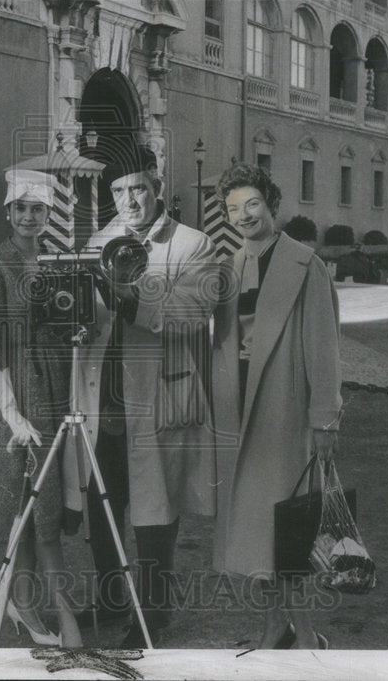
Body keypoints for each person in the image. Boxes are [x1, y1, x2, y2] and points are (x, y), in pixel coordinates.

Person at [67, 146, 220, 648]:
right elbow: (87, 318)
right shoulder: (100, 240)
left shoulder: (193, 244)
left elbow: (193, 315)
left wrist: (132, 296)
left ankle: (152, 613)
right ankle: (111, 601)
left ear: (157, 185)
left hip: (159, 394)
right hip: (103, 396)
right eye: (118, 191)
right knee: (102, 500)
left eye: (137, 188)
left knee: (156, 509)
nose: (129, 200)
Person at [211, 163, 342, 650]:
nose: (244, 216)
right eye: (233, 209)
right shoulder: (228, 267)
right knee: (251, 535)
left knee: (288, 531)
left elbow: (323, 346)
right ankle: (273, 627)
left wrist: (326, 417)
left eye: (252, 205)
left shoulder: (305, 265)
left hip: (285, 409)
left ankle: (307, 634)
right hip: (237, 409)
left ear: (271, 205)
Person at [0, 169, 82, 648]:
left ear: (49, 213)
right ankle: (58, 616)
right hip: (16, 391)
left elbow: (68, 323)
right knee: (29, 509)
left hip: (56, 385)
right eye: (20, 208)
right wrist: (11, 414)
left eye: (37, 208)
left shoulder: (55, 260)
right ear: (7, 212)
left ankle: (26, 604)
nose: (28, 216)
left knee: (41, 508)